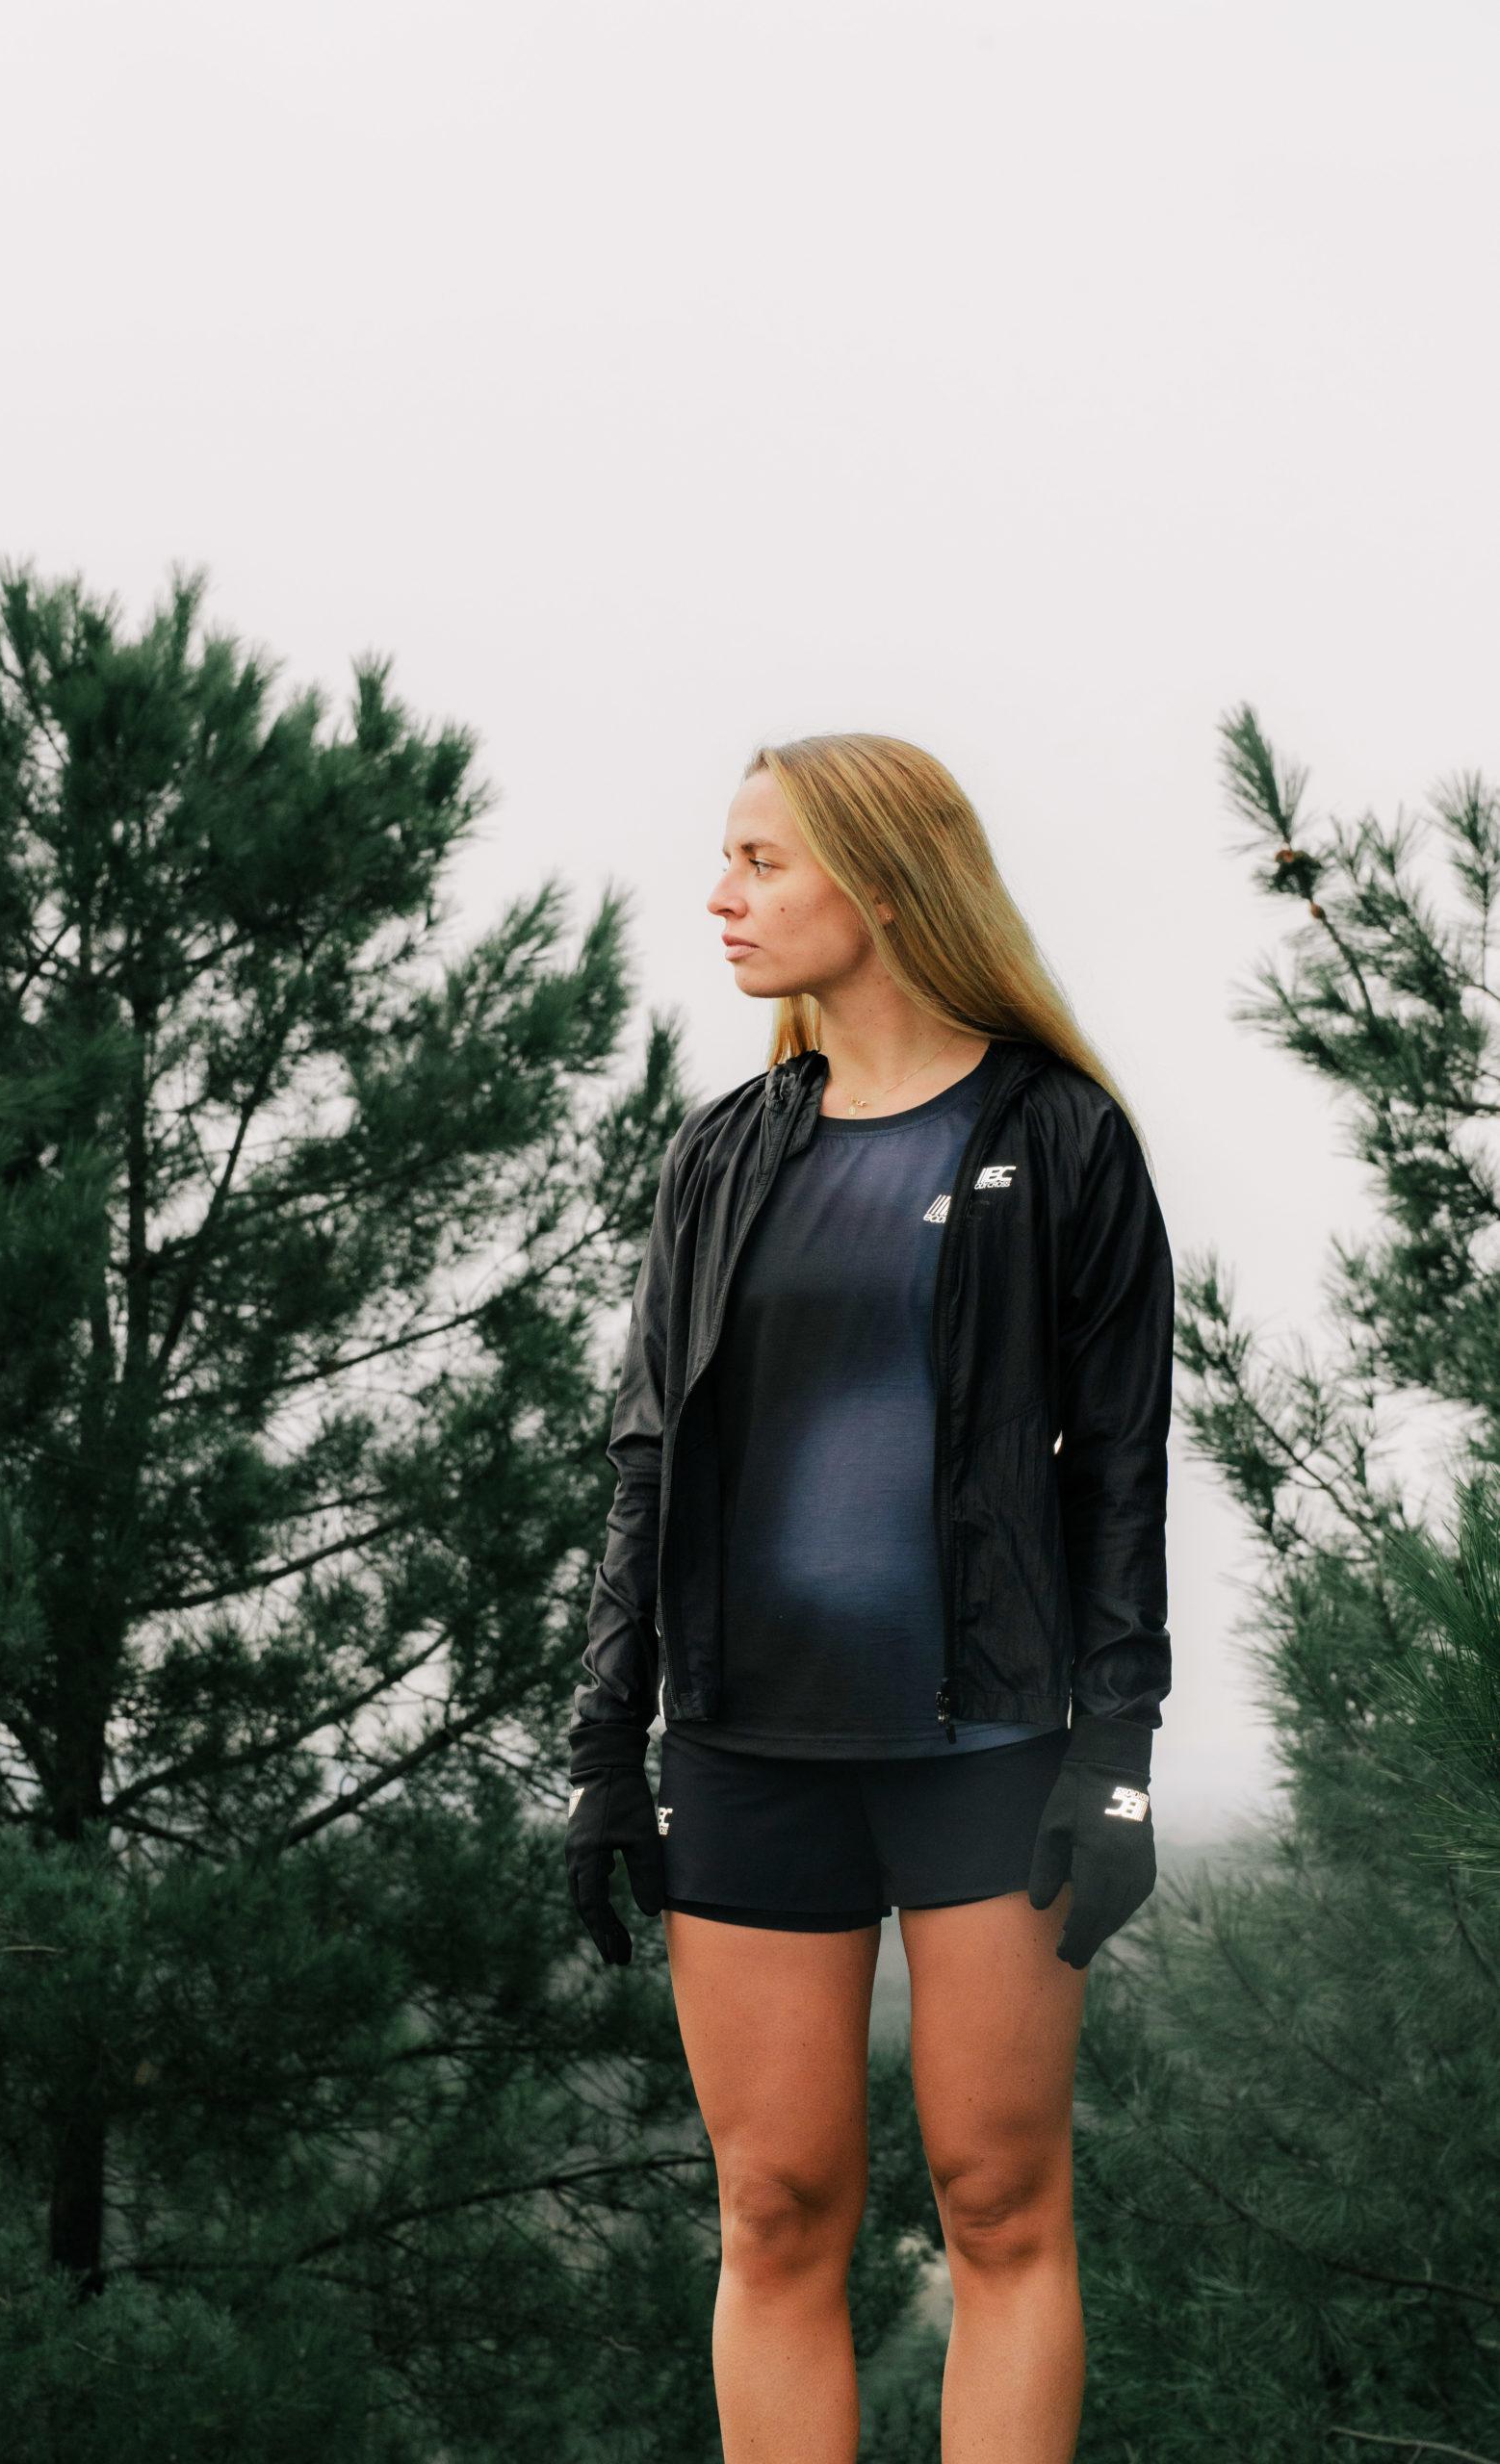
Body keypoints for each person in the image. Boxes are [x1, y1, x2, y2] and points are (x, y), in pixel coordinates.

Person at [564, 733, 1172, 2464]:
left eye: (762, 861)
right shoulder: (719, 1156)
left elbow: (1117, 1471)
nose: (721, 896)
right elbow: (648, 1462)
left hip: (989, 1747)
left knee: (999, 2204)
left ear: (888, 885)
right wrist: (607, 1747)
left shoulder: (1061, 1140)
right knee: (773, 2211)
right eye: (728, 860)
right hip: (748, 1746)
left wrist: (1119, 1761)